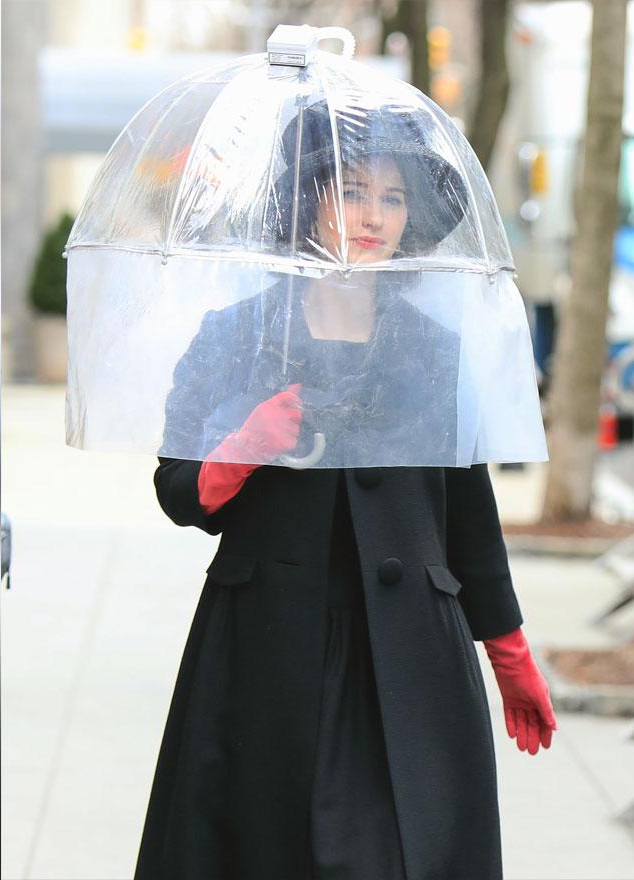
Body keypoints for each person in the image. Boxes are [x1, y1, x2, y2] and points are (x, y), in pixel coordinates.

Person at [137, 104, 557, 880]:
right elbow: (177, 489)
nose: (375, 217)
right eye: (353, 191)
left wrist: (509, 650)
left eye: (393, 199)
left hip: (409, 664)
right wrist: (244, 449)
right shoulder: (239, 335)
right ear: (307, 201)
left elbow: (469, 517)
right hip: (262, 656)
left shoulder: (434, 349)